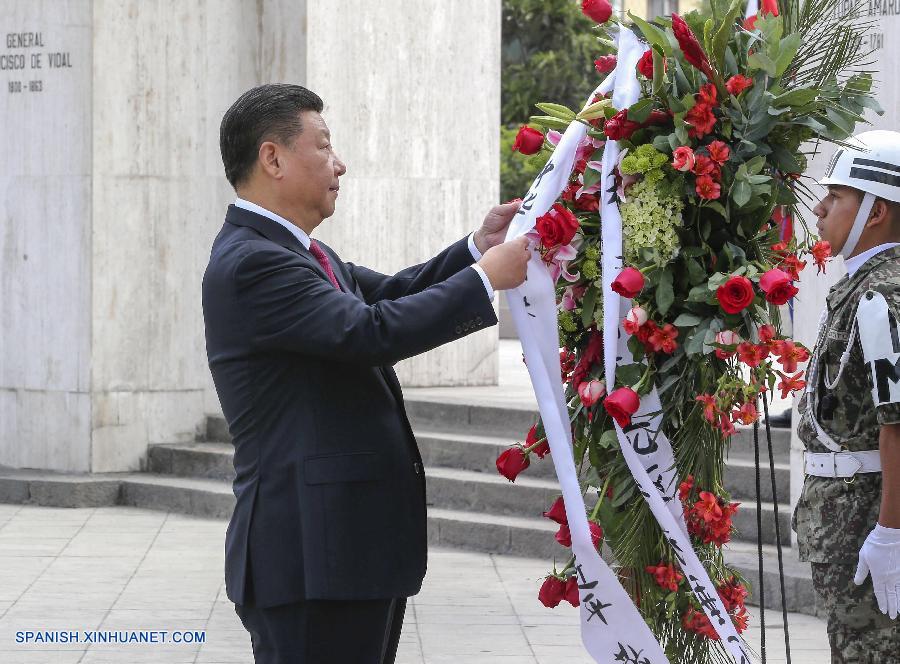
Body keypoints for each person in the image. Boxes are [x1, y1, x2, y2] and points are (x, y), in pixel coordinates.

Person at [202, 84, 531, 664]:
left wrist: (477, 248)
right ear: (272, 158)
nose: (340, 164)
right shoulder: (255, 261)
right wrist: (486, 279)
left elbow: (393, 294)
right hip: (310, 556)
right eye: (324, 146)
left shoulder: (298, 251)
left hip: (344, 552)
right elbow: (369, 331)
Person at [793, 130, 900, 663]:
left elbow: (896, 423)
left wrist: (891, 532)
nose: (820, 209)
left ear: (875, 211)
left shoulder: (882, 293)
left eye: (836, 198)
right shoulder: (863, 284)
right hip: (845, 517)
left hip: (864, 515)